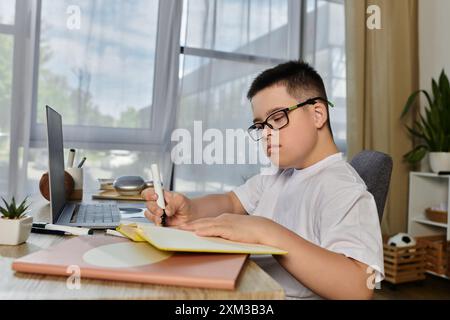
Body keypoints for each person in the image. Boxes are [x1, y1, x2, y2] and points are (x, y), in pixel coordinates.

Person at [142, 61, 384, 300]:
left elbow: (359, 288)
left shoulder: (342, 188)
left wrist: (267, 232)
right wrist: (190, 209)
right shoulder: (278, 175)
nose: (267, 133)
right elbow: (232, 202)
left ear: (318, 114)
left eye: (277, 118)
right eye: (260, 126)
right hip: (242, 282)